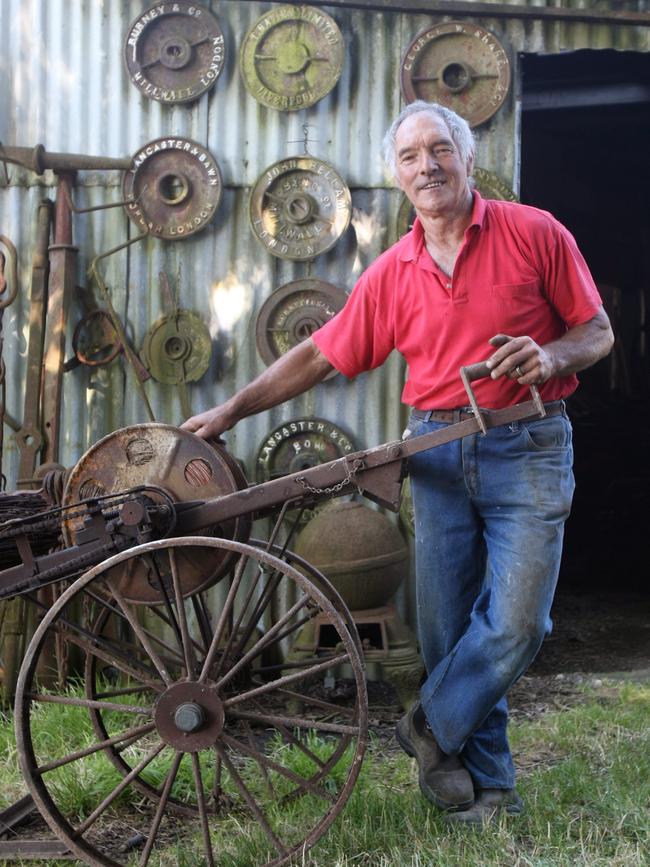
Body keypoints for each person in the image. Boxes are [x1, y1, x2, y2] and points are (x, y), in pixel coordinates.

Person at [182, 100, 614, 824]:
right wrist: (230, 410)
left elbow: (596, 329)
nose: (428, 165)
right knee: (449, 629)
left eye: (439, 149)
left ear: (467, 159)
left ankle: (427, 726)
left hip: (528, 441)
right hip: (436, 450)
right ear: (397, 175)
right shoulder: (394, 270)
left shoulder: (536, 233)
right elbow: (321, 354)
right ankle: (486, 791)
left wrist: (550, 354)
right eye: (411, 156)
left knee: (516, 623)